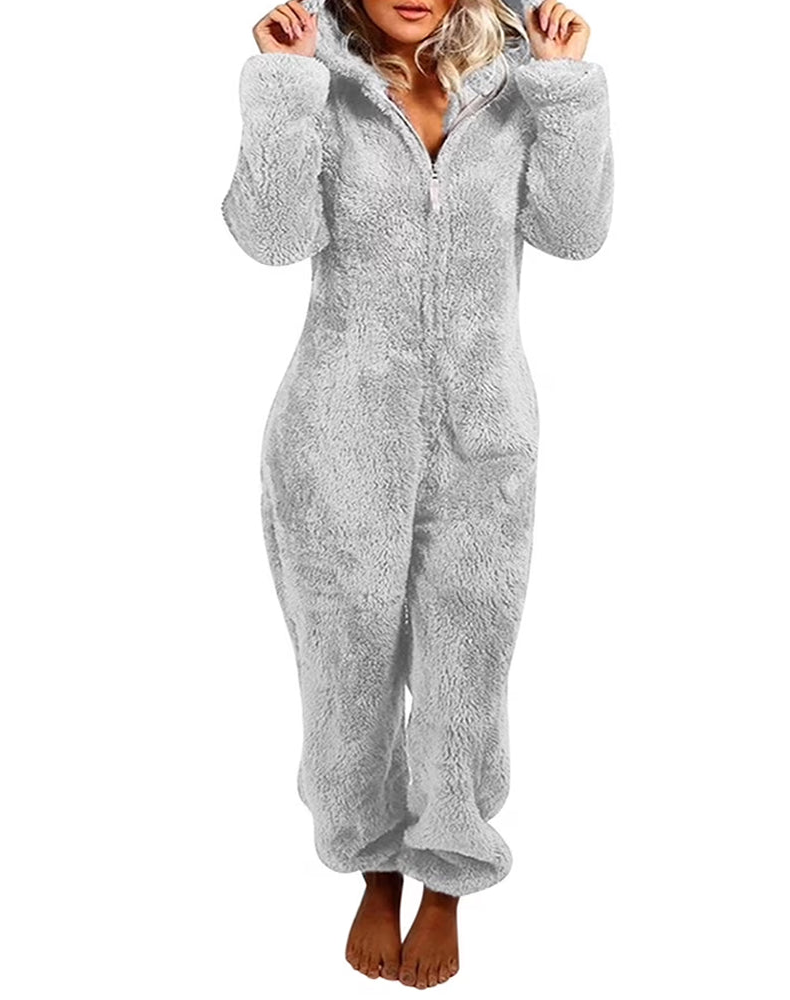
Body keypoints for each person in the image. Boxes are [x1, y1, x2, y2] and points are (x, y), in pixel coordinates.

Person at [221, 0, 613, 986]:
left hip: (484, 436)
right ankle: (371, 863)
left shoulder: (513, 87)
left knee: (466, 664)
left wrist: (564, 87)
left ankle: (444, 877)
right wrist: (285, 87)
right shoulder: (320, 84)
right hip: (337, 430)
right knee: (344, 667)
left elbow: (574, 234)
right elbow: (270, 237)